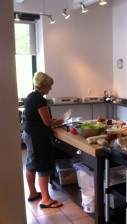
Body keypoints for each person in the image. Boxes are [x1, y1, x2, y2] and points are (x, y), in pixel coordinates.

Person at [23, 71, 64, 208]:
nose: (50, 89)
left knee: (31, 163)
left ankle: (33, 193)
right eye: (49, 86)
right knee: (43, 164)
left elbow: (39, 118)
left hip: (29, 133)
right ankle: (46, 199)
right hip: (37, 136)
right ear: (43, 85)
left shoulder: (30, 96)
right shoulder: (39, 99)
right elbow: (47, 122)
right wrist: (58, 121)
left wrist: (51, 121)